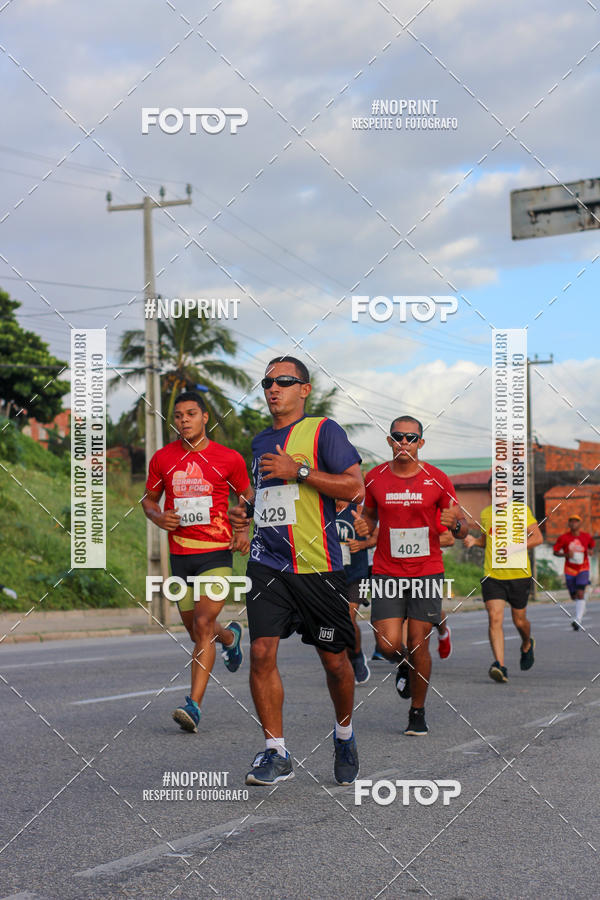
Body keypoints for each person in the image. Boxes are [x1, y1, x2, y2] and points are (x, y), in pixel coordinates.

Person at [229, 356, 364, 787]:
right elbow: (271, 496)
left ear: (304, 389)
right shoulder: (259, 441)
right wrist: (246, 511)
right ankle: (276, 752)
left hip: (318, 567)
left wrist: (300, 470)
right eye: (267, 382)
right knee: (262, 652)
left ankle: (344, 734)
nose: (273, 388)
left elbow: (353, 486)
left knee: (335, 662)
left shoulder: (323, 430)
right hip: (267, 564)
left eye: (284, 381)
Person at [142, 391, 253, 733]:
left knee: (204, 623)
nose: (184, 420)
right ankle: (231, 638)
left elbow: (247, 495)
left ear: (205, 418)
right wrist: (158, 518)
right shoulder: (163, 458)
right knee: (196, 631)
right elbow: (149, 499)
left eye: (191, 414)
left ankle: (193, 705)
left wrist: (242, 524)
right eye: (178, 415)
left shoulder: (228, 458)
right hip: (181, 555)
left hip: (217, 553)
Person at [353, 416, 467, 736]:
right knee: (388, 644)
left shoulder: (438, 479)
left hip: (426, 570)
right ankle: (404, 664)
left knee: (419, 644)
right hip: (387, 569)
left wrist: (456, 524)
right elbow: (370, 516)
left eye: (411, 438)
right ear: (389, 441)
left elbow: (462, 528)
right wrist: (366, 526)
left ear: (421, 443)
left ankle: (417, 711)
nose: (405, 443)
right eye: (398, 437)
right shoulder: (374, 478)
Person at [464, 477, 543, 682]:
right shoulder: (486, 513)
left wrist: (515, 547)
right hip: (493, 575)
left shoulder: (521, 511)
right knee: (495, 617)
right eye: (494, 490)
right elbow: (486, 540)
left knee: (519, 621)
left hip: (518, 575)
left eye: (502, 490)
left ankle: (527, 643)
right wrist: (474, 541)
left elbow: (537, 538)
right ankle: (500, 665)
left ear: (509, 492)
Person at [335, 500, 378, 684]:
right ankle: (343, 661)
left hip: (357, 574)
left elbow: (377, 536)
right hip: (331, 573)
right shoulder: (323, 506)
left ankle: (357, 657)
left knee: (349, 617)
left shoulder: (359, 508)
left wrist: (362, 545)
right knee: (336, 621)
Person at [553, 516, 596, 631]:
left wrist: (591, 551)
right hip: (569, 570)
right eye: (571, 522)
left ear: (579, 524)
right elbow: (555, 552)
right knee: (574, 596)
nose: (573, 524)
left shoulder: (586, 537)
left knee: (580, 592)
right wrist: (566, 555)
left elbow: (592, 546)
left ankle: (578, 620)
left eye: (576, 522)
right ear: (568, 524)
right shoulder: (563, 538)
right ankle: (582, 604)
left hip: (583, 568)